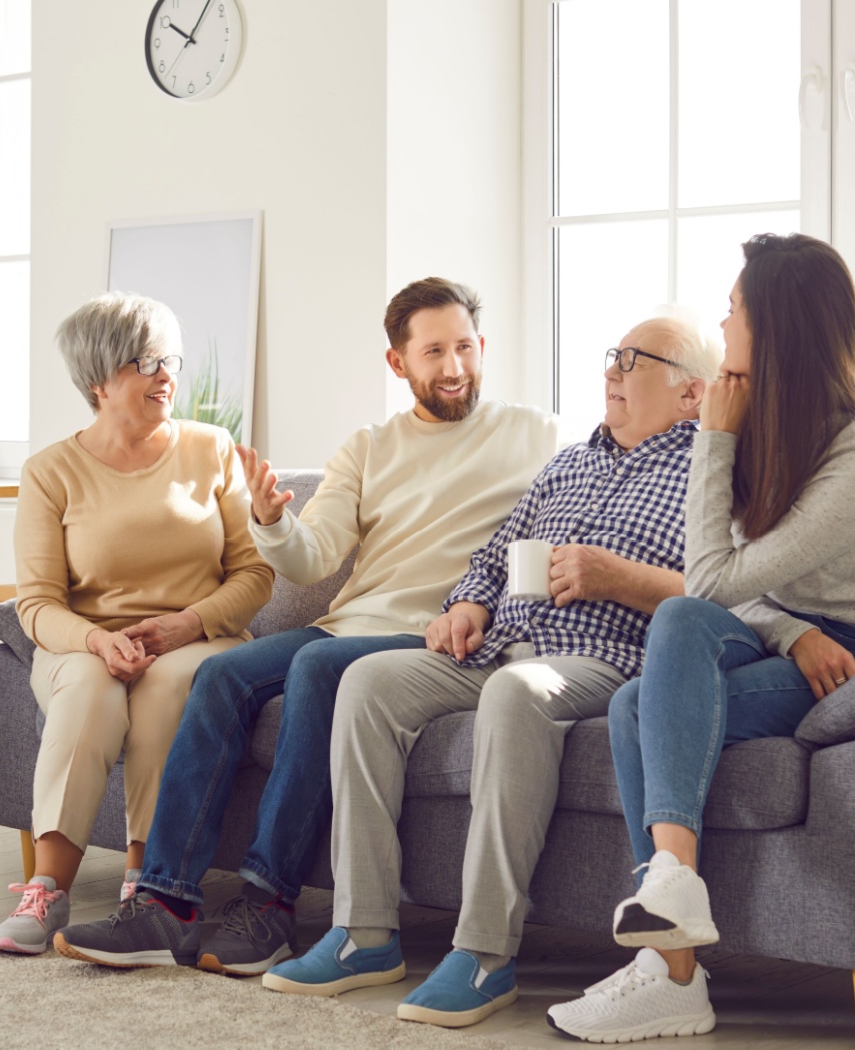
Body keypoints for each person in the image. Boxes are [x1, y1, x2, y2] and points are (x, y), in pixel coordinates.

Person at [52, 277, 559, 972]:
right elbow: (311, 555)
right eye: (434, 351)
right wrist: (269, 519)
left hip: (442, 637)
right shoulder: (368, 449)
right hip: (350, 625)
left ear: (482, 348)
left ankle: (267, 905)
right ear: (398, 363)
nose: (453, 368)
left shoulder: (538, 436)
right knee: (223, 672)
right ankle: (164, 904)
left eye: (465, 348)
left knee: (320, 669)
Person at [262, 315, 720, 1022]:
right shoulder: (570, 461)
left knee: (515, 692)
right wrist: (468, 604)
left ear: (691, 394)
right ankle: (365, 934)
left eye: (634, 361)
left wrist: (615, 576)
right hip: (497, 645)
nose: (611, 373)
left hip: (602, 658)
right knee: (367, 682)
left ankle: (483, 953)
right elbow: (492, 556)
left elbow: (722, 592)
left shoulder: (713, 474)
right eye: (611, 358)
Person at [548, 234, 855, 1043]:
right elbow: (714, 587)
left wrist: (714, 440)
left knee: (636, 703)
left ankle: (670, 961)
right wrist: (790, 632)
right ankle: (673, 942)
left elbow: (717, 580)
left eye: (733, 313)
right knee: (637, 696)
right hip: (790, 641)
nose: (723, 328)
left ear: (777, 330)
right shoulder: (758, 428)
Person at [0, 293, 274, 955]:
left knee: (168, 686)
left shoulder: (212, 450)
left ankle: (146, 887)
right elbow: (34, 603)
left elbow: (255, 575)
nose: (165, 374)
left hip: (200, 637)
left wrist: (187, 624)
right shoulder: (50, 472)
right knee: (90, 690)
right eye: (145, 362)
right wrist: (95, 640)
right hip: (83, 642)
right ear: (99, 382)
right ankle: (46, 890)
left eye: (169, 358)